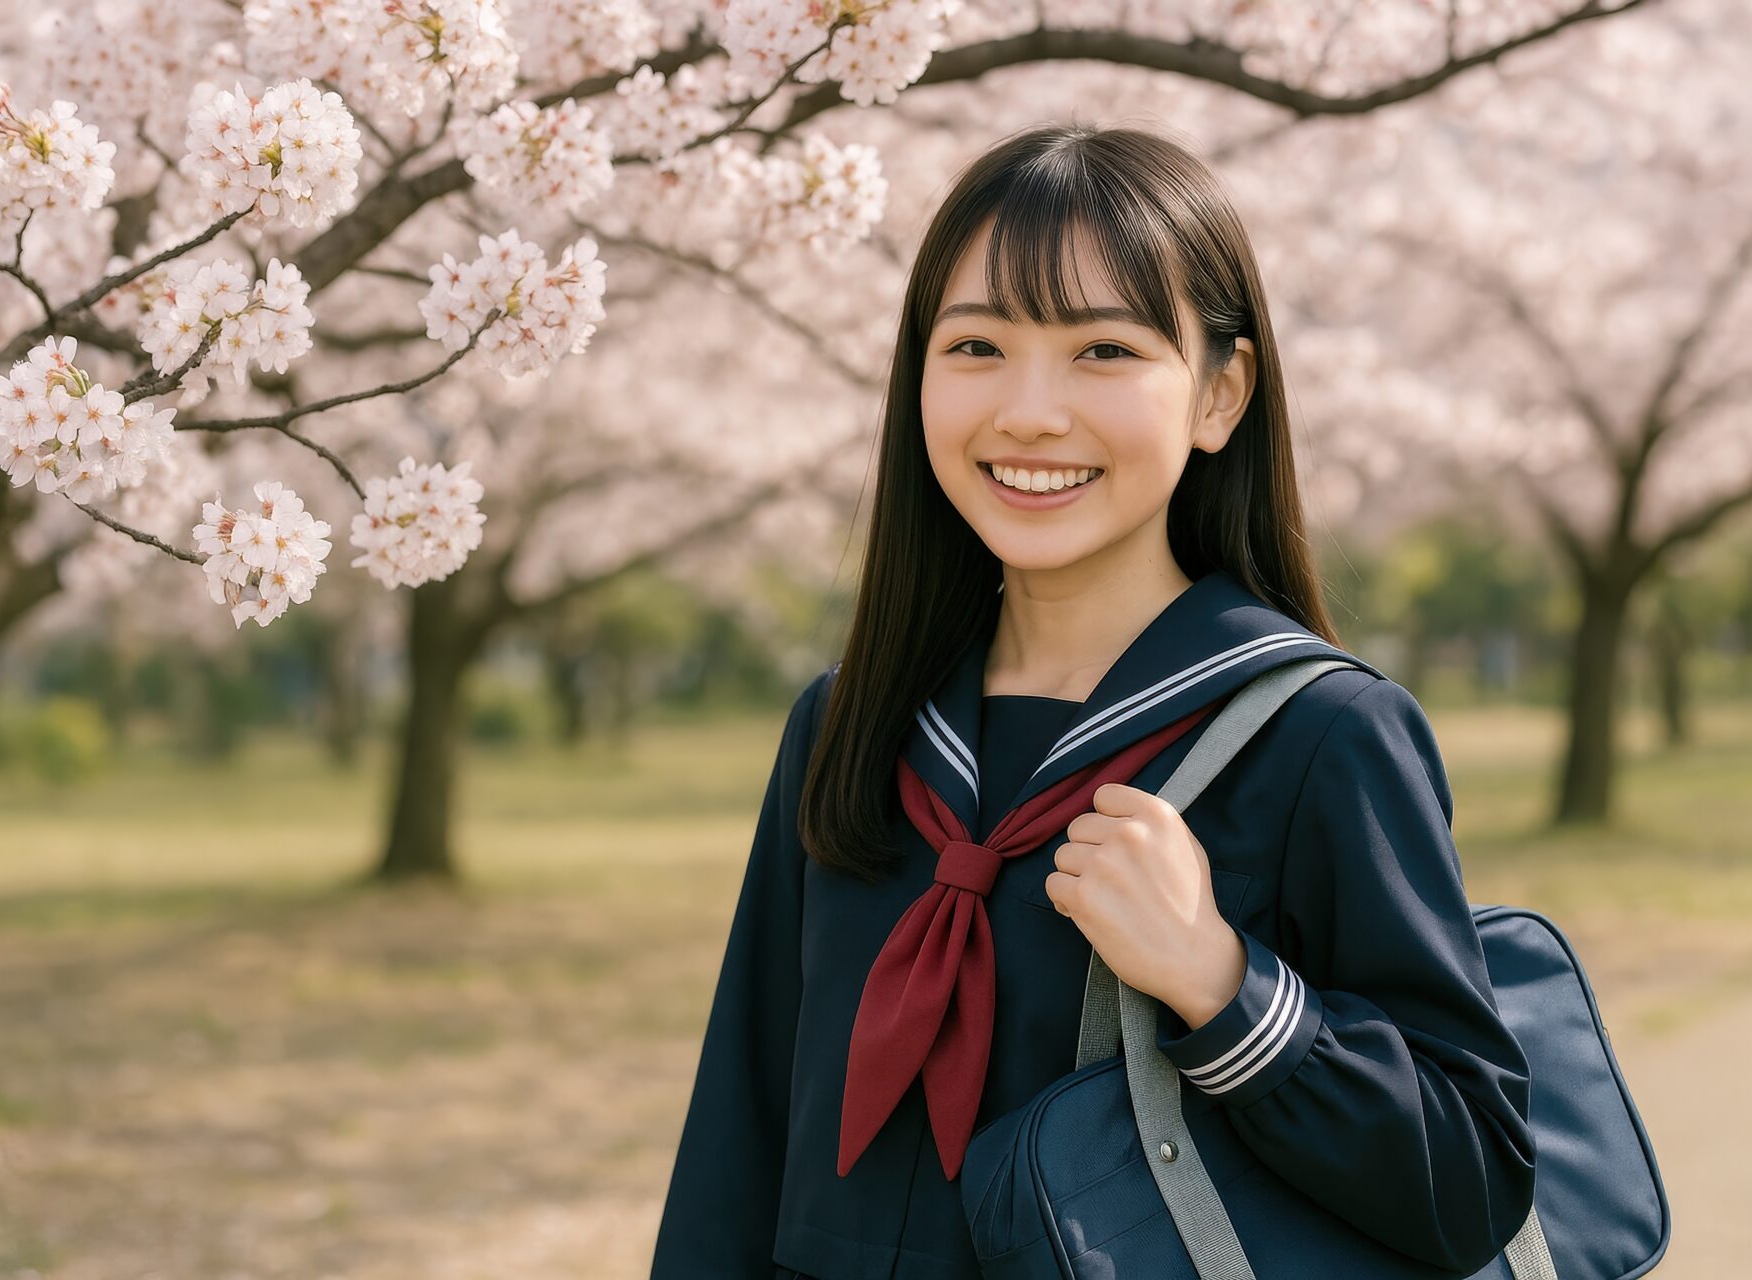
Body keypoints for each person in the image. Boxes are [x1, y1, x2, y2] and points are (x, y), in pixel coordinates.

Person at [649, 122, 1536, 1280]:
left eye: (1104, 352)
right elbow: (738, 1138)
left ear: (1221, 392)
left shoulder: (1317, 737)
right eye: (975, 346)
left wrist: (1223, 983)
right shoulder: (849, 727)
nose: (1027, 411)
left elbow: (1472, 1180)